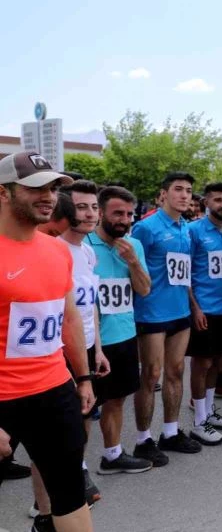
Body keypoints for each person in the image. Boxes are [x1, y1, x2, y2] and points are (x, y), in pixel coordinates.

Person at [0, 151, 95, 532]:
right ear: (3, 192)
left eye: (54, 187)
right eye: (36, 187)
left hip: (54, 391)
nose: (49, 196)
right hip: (3, 398)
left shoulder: (57, 250)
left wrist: (83, 378)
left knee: (70, 494)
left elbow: (68, 317)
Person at [131, 172, 202, 467]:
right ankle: (142, 440)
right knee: (151, 375)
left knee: (176, 371)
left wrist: (194, 306)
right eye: (178, 189)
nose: (184, 195)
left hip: (180, 312)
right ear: (163, 194)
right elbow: (131, 269)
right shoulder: (145, 228)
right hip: (151, 313)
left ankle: (170, 432)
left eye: (188, 190)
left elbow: (184, 273)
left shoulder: (186, 227)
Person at [87, 185, 154, 475]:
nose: (124, 220)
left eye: (128, 214)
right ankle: (77, 468)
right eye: (117, 213)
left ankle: (112, 455)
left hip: (124, 334)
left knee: (117, 399)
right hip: (90, 340)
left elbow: (145, 290)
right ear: (101, 212)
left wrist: (133, 261)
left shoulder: (133, 245)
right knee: (84, 407)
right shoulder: (83, 244)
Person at [57, 180, 112, 504]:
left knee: (85, 414)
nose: (90, 214)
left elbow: (90, 305)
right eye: (81, 207)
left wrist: (98, 349)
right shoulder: (55, 249)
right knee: (58, 428)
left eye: (94, 207)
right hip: (58, 352)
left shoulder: (88, 252)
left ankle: (78, 468)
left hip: (87, 348)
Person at [185, 183, 222, 446]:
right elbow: (184, 273)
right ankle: (199, 422)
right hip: (204, 308)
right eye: (217, 200)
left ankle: (208, 412)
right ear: (206, 202)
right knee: (202, 363)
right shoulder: (193, 230)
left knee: (218, 361)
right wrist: (195, 307)